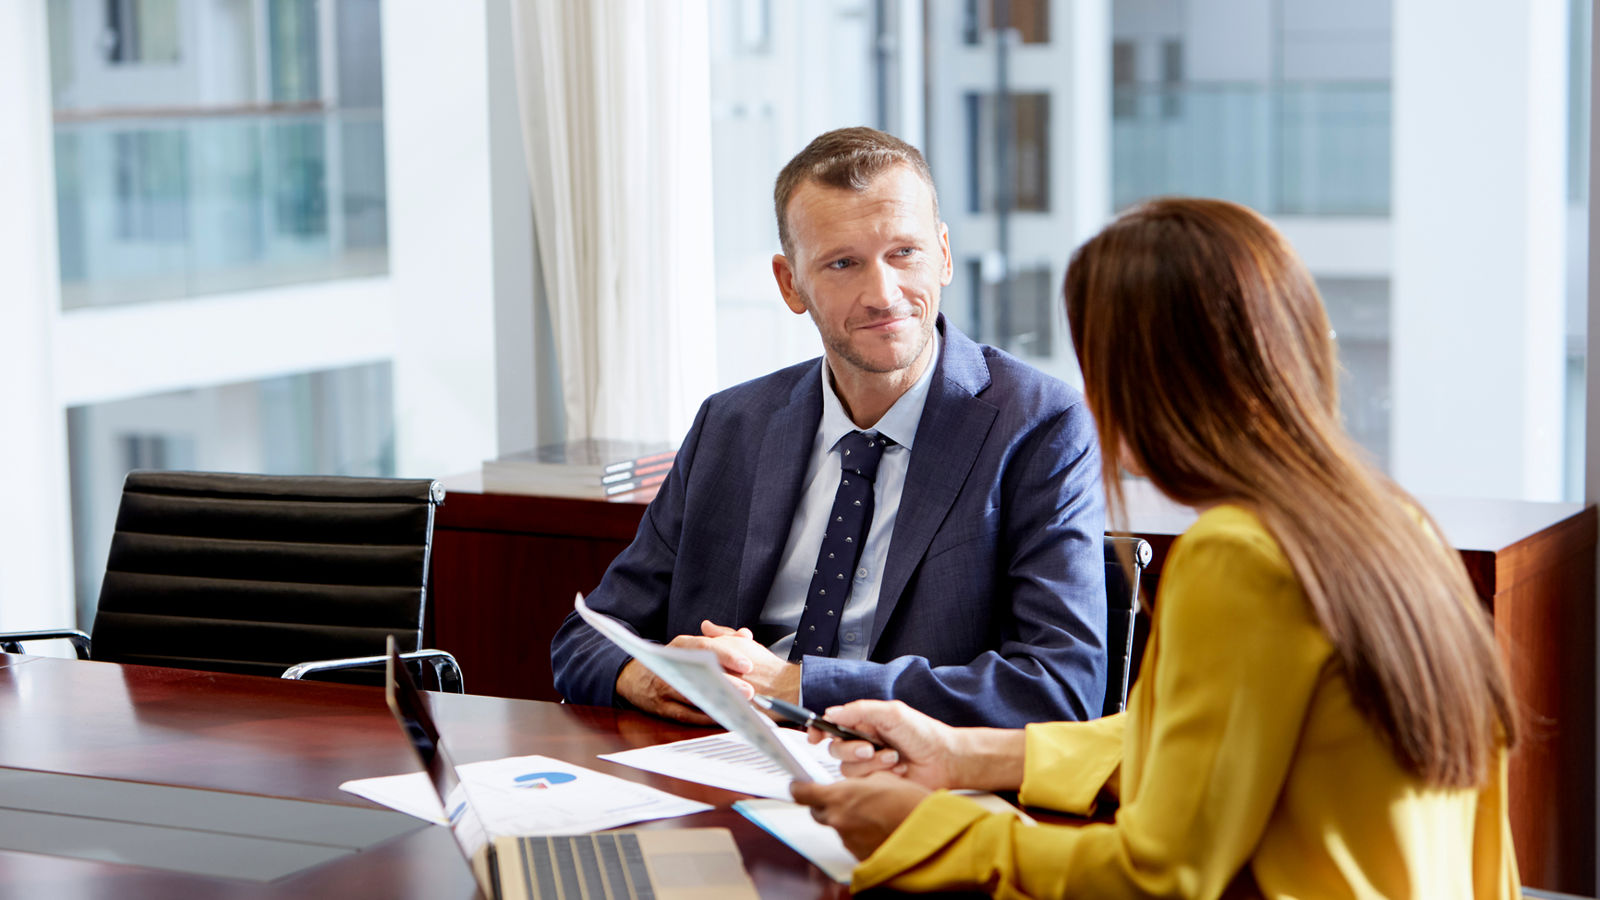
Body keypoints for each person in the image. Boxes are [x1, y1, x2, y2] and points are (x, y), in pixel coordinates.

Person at [791, 197, 1521, 898]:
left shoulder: (1237, 556)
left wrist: (932, 832)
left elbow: (1157, 877)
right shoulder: (1392, 521)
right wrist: (964, 754)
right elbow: (1196, 752)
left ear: (1146, 381)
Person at [549, 127, 1107, 728]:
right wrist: (646, 676)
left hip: (909, 785)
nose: (883, 294)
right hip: (722, 761)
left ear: (944, 255)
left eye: (905, 253)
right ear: (791, 284)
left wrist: (794, 684)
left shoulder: (1040, 424)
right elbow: (587, 638)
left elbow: (1060, 689)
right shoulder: (731, 424)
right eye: (843, 264)